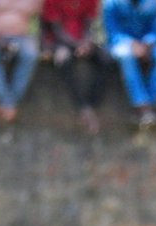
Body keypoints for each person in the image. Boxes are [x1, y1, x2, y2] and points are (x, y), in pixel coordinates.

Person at [41, 0, 111, 134]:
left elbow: (89, 25)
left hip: (81, 42)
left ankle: (92, 105)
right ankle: (82, 107)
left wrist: (86, 43)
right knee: (63, 59)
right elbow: (55, 29)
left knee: (106, 59)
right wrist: (76, 45)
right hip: (58, 42)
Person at [102, 0, 156, 128]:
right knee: (126, 55)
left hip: (147, 47)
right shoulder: (111, 3)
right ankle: (142, 106)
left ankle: (152, 103)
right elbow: (112, 33)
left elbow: (155, 31)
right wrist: (131, 44)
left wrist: (148, 43)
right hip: (121, 45)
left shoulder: (152, 4)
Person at [0, 0, 43, 123]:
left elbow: (42, 18)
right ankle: (7, 103)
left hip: (21, 37)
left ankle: (7, 104)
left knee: (30, 53)